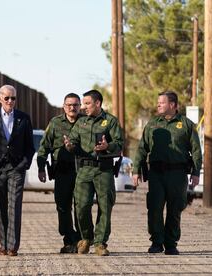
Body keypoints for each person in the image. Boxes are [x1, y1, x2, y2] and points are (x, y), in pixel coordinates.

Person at [132, 91, 202, 255]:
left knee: (175, 209)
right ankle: (156, 242)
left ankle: (171, 243)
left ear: (173, 105)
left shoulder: (186, 125)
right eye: (158, 102)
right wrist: (136, 170)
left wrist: (196, 173)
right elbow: (142, 148)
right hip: (156, 174)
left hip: (177, 174)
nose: (158, 105)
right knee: (154, 208)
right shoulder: (152, 124)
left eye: (161, 103)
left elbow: (196, 151)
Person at [63, 89, 124, 256]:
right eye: (84, 104)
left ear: (98, 103)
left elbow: (119, 144)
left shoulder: (110, 121)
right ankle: (86, 238)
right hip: (84, 170)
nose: (84, 107)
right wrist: (69, 145)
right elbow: (73, 141)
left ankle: (100, 243)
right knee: (81, 206)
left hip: (104, 169)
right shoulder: (81, 123)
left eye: (87, 103)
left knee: (105, 207)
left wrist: (107, 147)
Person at [0, 84, 35, 256]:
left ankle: (12, 246)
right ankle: (2, 243)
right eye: (7, 98)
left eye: (13, 98)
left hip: (16, 169)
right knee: (0, 207)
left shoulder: (23, 118)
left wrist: (23, 164)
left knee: (14, 206)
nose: (10, 101)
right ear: (0, 99)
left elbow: (29, 147)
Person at [37, 93, 82, 254]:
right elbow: (44, 147)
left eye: (76, 105)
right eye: (69, 105)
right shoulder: (55, 123)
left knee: (81, 207)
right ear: (64, 106)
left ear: (80, 106)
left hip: (82, 172)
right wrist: (41, 167)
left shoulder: (85, 122)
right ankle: (69, 240)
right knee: (63, 207)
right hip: (62, 171)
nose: (72, 108)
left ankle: (81, 239)